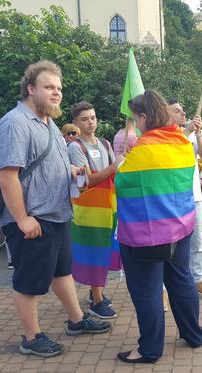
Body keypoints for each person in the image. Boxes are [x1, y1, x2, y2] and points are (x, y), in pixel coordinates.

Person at [0, 61, 111, 358]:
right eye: (49, 87)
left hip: (56, 214)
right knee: (29, 281)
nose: (56, 93)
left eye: (58, 88)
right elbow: (7, 176)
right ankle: (31, 338)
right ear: (30, 89)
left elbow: (50, 163)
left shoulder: (48, 123)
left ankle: (76, 321)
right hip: (34, 219)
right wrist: (22, 219)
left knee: (62, 272)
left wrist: (72, 171)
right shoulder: (15, 123)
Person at [116, 89, 202, 364]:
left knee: (147, 290)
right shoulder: (180, 141)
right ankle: (193, 335)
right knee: (182, 281)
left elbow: (123, 182)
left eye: (136, 118)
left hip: (147, 235)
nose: (136, 123)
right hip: (181, 227)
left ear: (143, 117)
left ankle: (150, 350)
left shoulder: (145, 147)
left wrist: (121, 162)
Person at [67, 101, 121, 319]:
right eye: (85, 119)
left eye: (93, 117)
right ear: (75, 123)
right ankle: (97, 301)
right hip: (88, 209)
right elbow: (85, 180)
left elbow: (109, 175)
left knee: (104, 248)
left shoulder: (105, 144)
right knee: (94, 250)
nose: (91, 122)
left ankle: (95, 292)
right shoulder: (74, 147)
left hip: (107, 206)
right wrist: (113, 167)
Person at [168, 99, 202, 299]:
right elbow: (170, 147)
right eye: (177, 111)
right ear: (167, 115)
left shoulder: (190, 134)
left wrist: (198, 135)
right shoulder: (167, 134)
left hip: (194, 196)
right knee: (170, 244)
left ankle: (198, 280)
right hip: (173, 197)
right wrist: (189, 130)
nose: (183, 113)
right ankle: (164, 289)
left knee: (196, 241)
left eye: (183, 110)